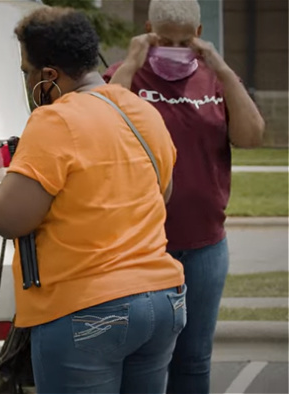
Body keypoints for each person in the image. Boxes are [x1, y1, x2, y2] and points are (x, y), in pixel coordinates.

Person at [0, 7, 186, 393]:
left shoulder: (54, 120)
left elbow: (10, 219)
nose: (26, 81)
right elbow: (162, 192)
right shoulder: (142, 111)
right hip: (162, 302)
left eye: (27, 71)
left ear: (49, 76)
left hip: (87, 309)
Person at [103, 1, 265, 393]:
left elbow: (251, 136)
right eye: (164, 41)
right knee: (140, 358)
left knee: (193, 359)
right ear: (147, 31)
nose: (174, 48)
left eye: (183, 40)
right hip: (142, 246)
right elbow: (103, 123)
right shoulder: (126, 76)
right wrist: (133, 60)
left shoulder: (215, 79)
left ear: (197, 32)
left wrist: (222, 69)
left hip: (205, 245)